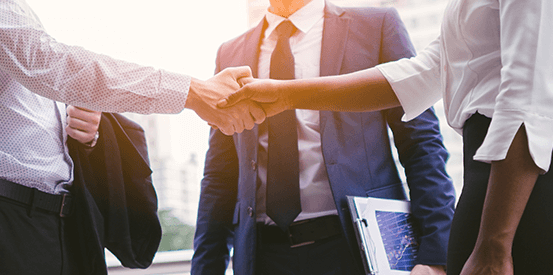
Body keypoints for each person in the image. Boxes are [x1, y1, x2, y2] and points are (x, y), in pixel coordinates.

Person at [219, 0, 553, 274]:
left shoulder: (375, 24)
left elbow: (526, 103)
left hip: (516, 182)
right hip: (487, 180)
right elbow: (419, 75)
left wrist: (490, 244)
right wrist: (287, 95)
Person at [191, 0, 456, 274]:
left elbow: (421, 144)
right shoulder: (231, 53)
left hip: (356, 249)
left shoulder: (376, 26)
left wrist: (437, 254)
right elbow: (219, 176)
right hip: (263, 256)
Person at [0, 0, 263, 274]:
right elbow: (52, 64)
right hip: (12, 217)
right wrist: (193, 92)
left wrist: (86, 129)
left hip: (60, 225)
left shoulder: (21, 11)